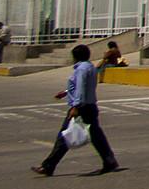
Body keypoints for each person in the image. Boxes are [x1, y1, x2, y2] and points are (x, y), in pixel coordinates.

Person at [34, 43, 119, 176]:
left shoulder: (81, 69)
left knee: (64, 136)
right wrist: (66, 92)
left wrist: (75, 106)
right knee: (97, 137)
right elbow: (82, 86)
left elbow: (81, 88)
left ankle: (48, 166)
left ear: (75, 57)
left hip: (82, 107)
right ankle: (110, 161)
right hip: (90, 106)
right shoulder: (90, 67)